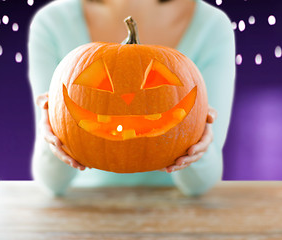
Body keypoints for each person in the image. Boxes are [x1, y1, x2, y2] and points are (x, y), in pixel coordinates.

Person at [28, 0, 235, 196]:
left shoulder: (212, 26)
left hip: (175, 213)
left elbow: (201, 184)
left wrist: (199, 147)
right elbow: (51, 181)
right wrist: (54, 136)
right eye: (101, 84)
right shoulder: (51, 22)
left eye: (157, 82)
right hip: (85, 211)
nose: (128, 98)